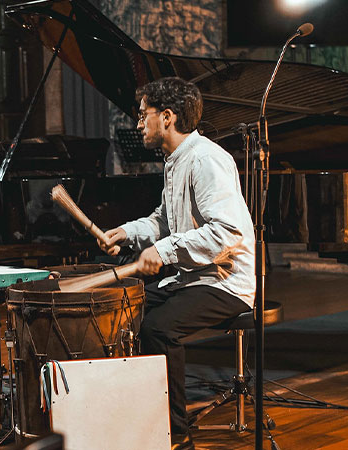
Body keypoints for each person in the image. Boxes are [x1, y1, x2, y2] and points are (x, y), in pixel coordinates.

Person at [99, 77, 255, 450]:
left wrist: (165, 251)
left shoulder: (205, 159)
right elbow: (164, 220)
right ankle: (139, 417)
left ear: (166, 117)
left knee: (157, 328)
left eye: (143, 116)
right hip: (194, 278)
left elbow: (227, 233)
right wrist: (126, 232)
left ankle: (175, 436)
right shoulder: (177, 160)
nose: (138, 125)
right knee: (121, 310)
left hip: (227, 282)